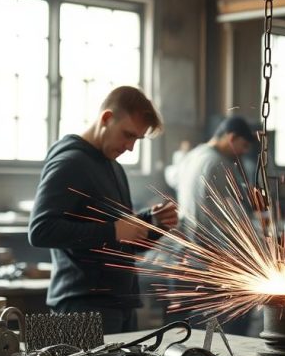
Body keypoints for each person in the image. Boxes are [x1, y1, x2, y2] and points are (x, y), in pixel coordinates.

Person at [29, 86, 178, 334]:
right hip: (81, 308)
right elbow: (40, 231)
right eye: (127, 135)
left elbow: (122, 241)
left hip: (119, 305)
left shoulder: (112, 166)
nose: (130, 147)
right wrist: (114, 231)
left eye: (136, 139)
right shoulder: (71, 162)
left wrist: (153, 225)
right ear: (107, 118)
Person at [175, 115, 256, 334]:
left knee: (199, 324)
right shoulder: (219, 163)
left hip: (189, 252)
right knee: (235, 318)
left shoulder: (192, 156)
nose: (244, 152)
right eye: (243, 145)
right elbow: (234, 217)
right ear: (231, 137)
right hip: (212, 256)